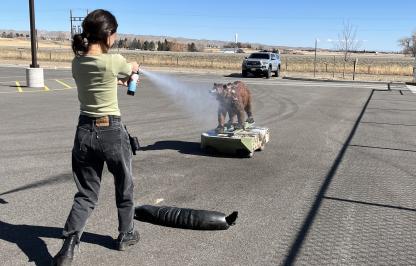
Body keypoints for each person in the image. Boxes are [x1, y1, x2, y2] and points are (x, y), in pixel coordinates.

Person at [52, 9, 140, 266]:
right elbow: (129, 68)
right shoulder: (114, 61)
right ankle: (126, 234)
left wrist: (117, 81)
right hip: (111, 131)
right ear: (107, 34)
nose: (116, 37)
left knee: (86, 194)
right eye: (114, 33)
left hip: (84, 132)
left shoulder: (77, 63)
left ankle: (67, 247)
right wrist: (133, 71)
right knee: (124, 184)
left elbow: (98, 81)